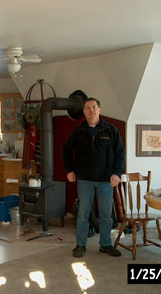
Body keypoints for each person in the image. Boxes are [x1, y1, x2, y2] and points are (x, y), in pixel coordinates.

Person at [63, 97, 124, 258]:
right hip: (84, 180)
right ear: (84, 112)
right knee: (83, 214)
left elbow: (120, 154)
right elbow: (66, 151)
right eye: (88, 108)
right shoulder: (78, 132)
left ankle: (105, 244)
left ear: (99, 110)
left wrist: (117, 173)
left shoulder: (110, 130)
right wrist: (70, 170)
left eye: (94, 107)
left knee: (106, 215)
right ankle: (80, 245)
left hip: (106, 180)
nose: (91, 110)